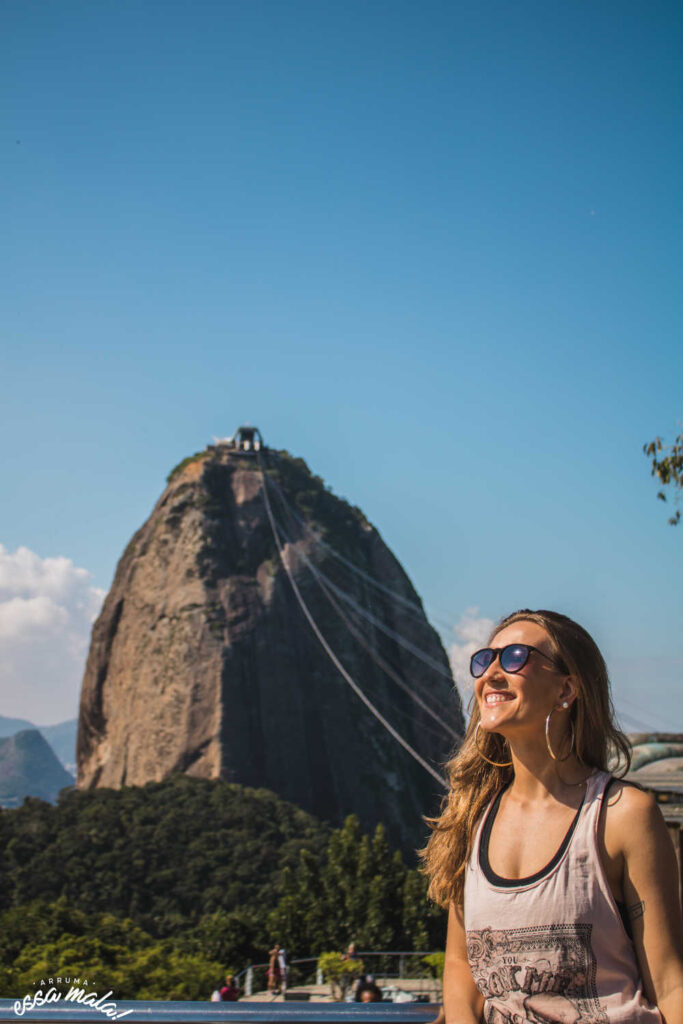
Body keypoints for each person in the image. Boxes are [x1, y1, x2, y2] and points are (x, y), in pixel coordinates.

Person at [421, 609, 683, 1024]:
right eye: (485, 659)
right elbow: (460, 971)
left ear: (566, 690)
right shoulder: (470, 819)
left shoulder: (622, 814)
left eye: (515, 657)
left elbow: (670, 982)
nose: (491, 672)